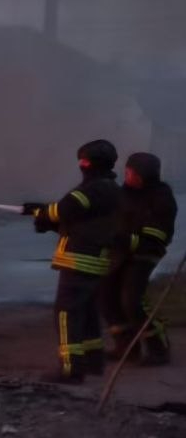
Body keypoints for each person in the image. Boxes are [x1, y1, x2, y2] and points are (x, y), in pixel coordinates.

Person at [24, 140, 122, 382]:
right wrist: (50, 221)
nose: (81, 164)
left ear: (88, 163)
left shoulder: (94, 189)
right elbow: (82, 221)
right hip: (93, 259)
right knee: (87, 312)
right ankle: (92, 362)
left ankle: (71, 369)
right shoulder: (110, 189)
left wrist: (42, 212)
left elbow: (67, 208)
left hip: (79, 260)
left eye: (83, 160)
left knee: (66, 313)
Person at [100, 152, 177, 366]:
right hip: (119, 253)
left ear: (145, 174)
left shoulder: (161, 196)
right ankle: (126, 347)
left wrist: (125, 238)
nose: (127, 176)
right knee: (105, 296)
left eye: (131, 173)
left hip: (144, 254)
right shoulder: (122, 193)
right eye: (127, 171)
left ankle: (158, 350)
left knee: (132, 301)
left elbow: (158, 234)